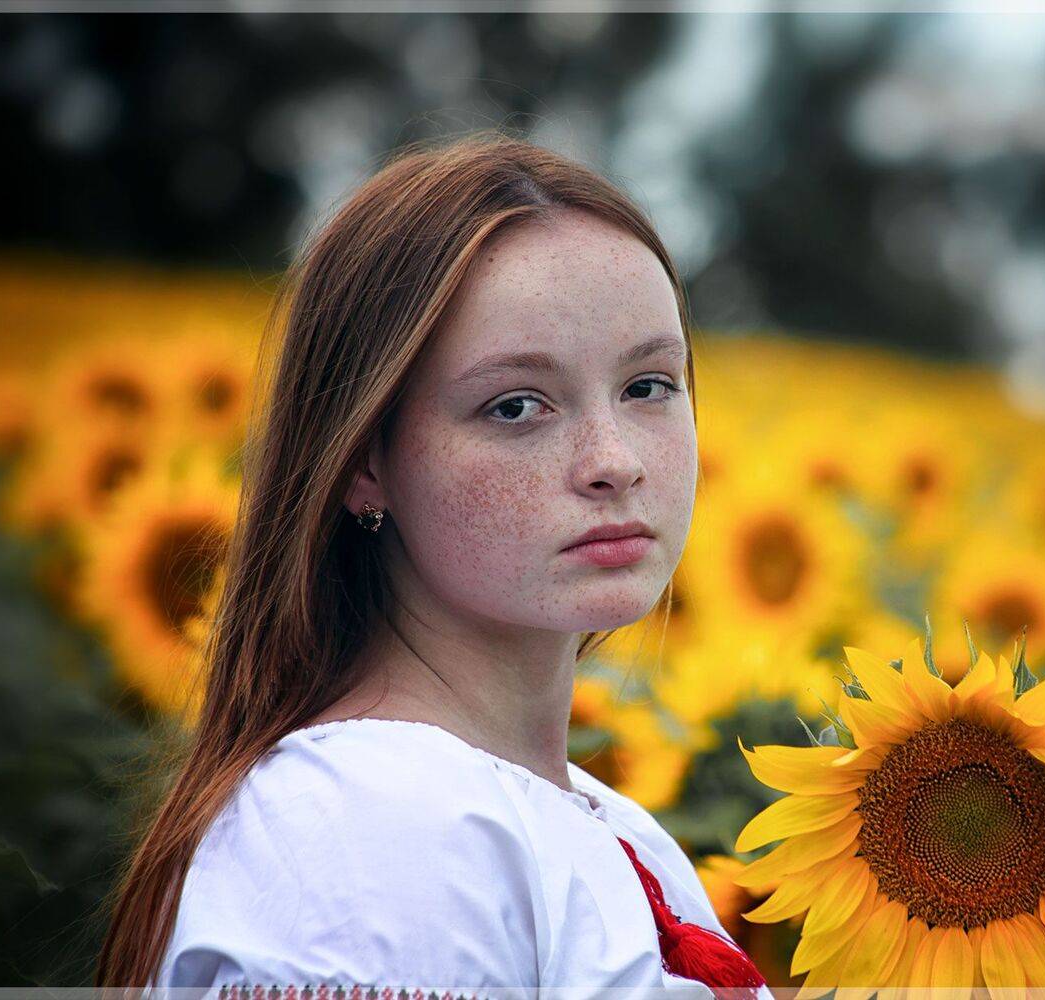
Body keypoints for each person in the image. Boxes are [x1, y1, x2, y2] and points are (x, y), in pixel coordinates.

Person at [93, 131, 771, 1000]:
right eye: (516, 406)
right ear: (363, 462)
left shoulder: (607, 828)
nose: (615, 460)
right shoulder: (365, 830)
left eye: (649, 386)